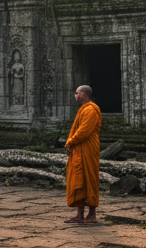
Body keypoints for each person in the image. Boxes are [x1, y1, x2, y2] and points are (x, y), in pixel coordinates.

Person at [64, 84, 101, 224]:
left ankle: (91, 214)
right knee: (77, 178)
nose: (75, 95)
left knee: (88, 178)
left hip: (87, 148)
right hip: (79, 148)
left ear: (85, 94)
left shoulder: (91, 110)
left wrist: (70, 141)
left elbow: (84, 131)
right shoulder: (83, 109)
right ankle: (79, 214)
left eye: (77, 93)